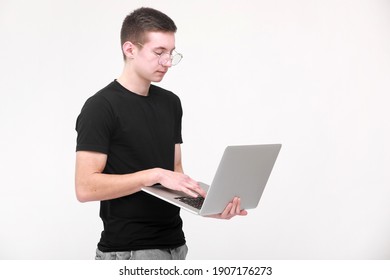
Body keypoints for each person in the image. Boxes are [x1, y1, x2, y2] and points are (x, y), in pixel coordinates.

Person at [75, 7, 247, 260]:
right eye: (159, 53)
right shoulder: (100, 107)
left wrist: (207, 207)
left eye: (171, 53)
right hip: (129, 251)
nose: (167, 62)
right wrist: (153, 175)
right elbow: (85, 187)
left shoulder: (170, 103)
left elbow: (175, 172)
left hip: (176, 246)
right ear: (130, 49)